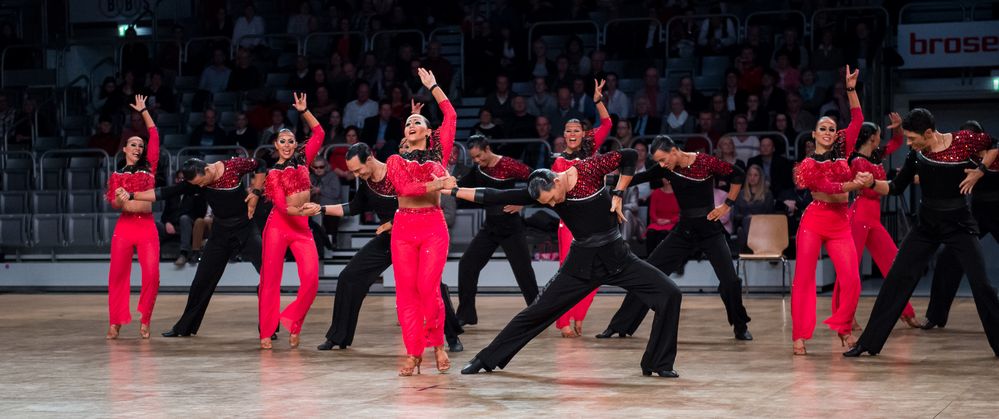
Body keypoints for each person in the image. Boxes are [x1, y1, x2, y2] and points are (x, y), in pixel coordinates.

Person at [456, 148, 684, 378]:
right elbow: (494, 195)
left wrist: (618, 192)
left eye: (553, 198)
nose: (554, 204)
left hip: (618, 258)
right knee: (536, 312)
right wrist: (453, 190)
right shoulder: (543, 191)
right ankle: (485, 359)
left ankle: (658, 363)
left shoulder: (588, 171)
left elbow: (630, 156)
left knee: (670, 294)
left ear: (557, 180)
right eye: (548, 203)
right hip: (581, 267)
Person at [844, 110, 999, 358]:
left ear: (928, 133)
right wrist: (871, 183)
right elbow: (895, 188)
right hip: (926, 225)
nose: (908, 143)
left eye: (911, 137)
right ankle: (867, 343)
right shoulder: (916, 155)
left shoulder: (963, 140)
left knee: (982, 285)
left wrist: (980, 170)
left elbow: (994, 144)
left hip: (959, 224)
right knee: (896, 279)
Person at [596, 135, 753, 341]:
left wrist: (726, 206)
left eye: (663, 159)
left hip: (710, 230)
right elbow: (636, 179)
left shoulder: (705, 162)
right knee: (648, 272)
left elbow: (738, 175)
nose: (662, 165)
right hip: (684, 230)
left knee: (730, 281)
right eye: (658, 162)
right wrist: (603, 180)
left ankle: (740, 326)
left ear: (674, 151)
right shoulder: (665, 168)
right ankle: (620, 325)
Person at [316, 143, 464, 352]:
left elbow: (419, 201)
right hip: (388, 239)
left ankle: (452, 337)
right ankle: (338, 336)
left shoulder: (398, 171)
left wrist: (393, 223)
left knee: (431, 288)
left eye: (358, 170)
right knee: (349, 276)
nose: (357, 175)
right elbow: (354, 207)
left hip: (415, 235)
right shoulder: (367, 182)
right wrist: (320, 208)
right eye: (353, 172)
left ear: (370, 159)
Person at [127, 155, 267, 338]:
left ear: (207, 170)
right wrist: (132, 195)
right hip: (220, 233)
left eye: (202, 182)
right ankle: (184, 328)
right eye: (197, 184)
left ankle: (268, 326)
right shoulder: (196, 180)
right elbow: (165, 192)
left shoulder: (232, 166)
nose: (200, 187)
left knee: (268, 273)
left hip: (246, 228)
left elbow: (261, 164)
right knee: (201, 282)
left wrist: (256, 192)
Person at [790, 66, 867, 356]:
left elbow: (858, 118)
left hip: (840, 223)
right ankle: (799, 335)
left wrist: (850, 90)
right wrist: (853, 183)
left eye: (832, 129)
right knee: (804, 279)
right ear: (814, 133)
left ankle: (844, 328)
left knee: (852, 281)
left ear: (836, 135)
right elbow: (828, 188)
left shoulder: (844, 149)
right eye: (822, 128)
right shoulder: (808, 164)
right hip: (814, 221)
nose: (827, 132)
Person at [384, 68, 456, 376]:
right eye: (408, 122)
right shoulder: (394, 161)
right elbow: (405, 189)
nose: (412, 124)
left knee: (428, 288)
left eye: (418, 122)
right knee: (406, 294)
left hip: (432, 226)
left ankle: (438, 344)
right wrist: (437, 185)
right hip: (403, 228)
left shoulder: (439, 155)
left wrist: (434, 86)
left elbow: (450, 116)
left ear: (428, 133)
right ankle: (414, 353)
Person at [257, 92, 326, 350]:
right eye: (282, 141)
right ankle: (266, 331)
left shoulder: (303, 160)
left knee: (311, 280)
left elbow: (319, 134)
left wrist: (304, 111)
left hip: (302, 229)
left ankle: (293, 322)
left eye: (291, 141)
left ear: (296, 144)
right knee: (270, 281)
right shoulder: (273, 173)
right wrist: (307, 211)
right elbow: (284, 208)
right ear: (276, 145)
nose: (287, 145)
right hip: (278, 226)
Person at [842, 112, 921, 329]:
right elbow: (869, 193)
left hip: (873, 219)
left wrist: (897, 127)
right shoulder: (857, 161)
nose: (881, 138)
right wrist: (892, 182)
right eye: (878, 134)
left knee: (893, 263)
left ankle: (906, 312)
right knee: (850, 269)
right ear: (872, 137)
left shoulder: (876, 155)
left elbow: (896, 142)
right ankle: (845, 317)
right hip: (859, 217)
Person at [922, 121, 999, 329]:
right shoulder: (966, 155)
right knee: (947, 258)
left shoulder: (994, 150)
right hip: (977, 214)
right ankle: (936, 315)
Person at [454, 136, 538, 326]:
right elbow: (460, 185)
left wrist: (522, 202)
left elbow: (538, 180)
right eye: (473, 158)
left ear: (487, 148)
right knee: (467, 265)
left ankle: (538, 315)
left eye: (478, 156)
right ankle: (466, 314)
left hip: (511, 227)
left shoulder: (507, 164)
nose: (477, 161)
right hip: (490, 227)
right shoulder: (479, 169)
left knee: (524, 274)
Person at [550, 79, 611, 338]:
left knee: (598, 272)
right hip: (571, 225)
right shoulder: (558, 164)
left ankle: (579, 315)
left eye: (577, 130)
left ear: (584, 134)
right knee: (568, 271)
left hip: (596, 222)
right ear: (563, 136)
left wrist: (598, 101)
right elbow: (555, 198)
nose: (573, 134)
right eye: (568, 130)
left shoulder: (591, 149)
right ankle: (563, 321)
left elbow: (607, 124)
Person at [104, 95, 160, 340]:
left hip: (146, 227)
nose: (138, 148)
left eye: (140, 145)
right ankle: (115, 321)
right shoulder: (116, 174)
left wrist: (144, 111)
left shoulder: (150, 167)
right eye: (133, 145)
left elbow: (155, 135)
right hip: (125, 226)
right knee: (117, 274)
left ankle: (145, 318)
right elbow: (115, 204)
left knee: (151, 274)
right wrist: (119, 197)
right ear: (124, 149)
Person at [159, 170, 208, 266]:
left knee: (184, 218)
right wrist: (167, 223)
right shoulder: (172, 195)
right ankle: (153, 256)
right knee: (156, 225)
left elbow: (201, 214)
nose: (181, 181)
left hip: (188, 226)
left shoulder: (194, 193)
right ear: (176, 180)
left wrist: (198, 195)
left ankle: (184, 254)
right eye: (179, 179)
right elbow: (164, 216)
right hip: (171, 227)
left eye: (184, 179)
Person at [732, 165, 775, 252]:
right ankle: (753, 248)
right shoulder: (740, 194)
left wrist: (755, 218)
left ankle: (748, 249)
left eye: (755, 175)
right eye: (750, 175)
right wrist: (747, 218)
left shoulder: (767, 195)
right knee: (746, 223)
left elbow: (770, 215)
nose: (752, 177)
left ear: (761, 177)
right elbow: (735, 214)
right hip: (743, 224)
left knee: (745, 229)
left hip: (762, 226)